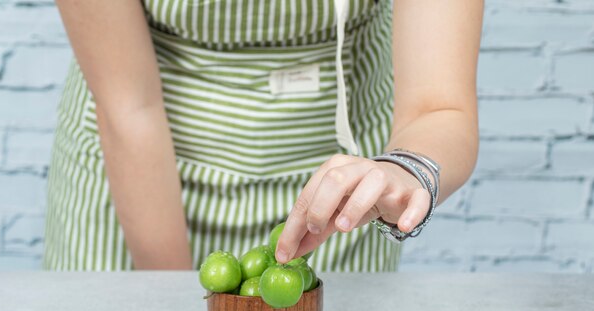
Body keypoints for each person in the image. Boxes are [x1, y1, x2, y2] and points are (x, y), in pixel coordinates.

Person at [44, 0, 482, 271]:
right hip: (137, 178)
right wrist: (171, 300)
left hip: (341, 201)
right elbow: (130, 106)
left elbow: (439, 105)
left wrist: (405, 169)